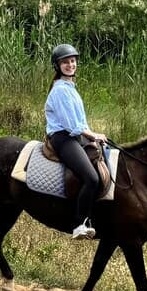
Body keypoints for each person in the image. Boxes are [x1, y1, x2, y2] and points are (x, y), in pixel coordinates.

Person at [44, 43, 107, 239]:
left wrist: (91, 136)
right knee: (92, 178)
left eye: (72, 61)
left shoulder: (70, 87)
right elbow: (72, 125)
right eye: (65, 62)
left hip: (75, 136)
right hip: (63, 138)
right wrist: (93, 134)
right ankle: (79, 223)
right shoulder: (61, 90)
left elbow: (80, 121)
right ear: (57, 66)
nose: (70, 65)